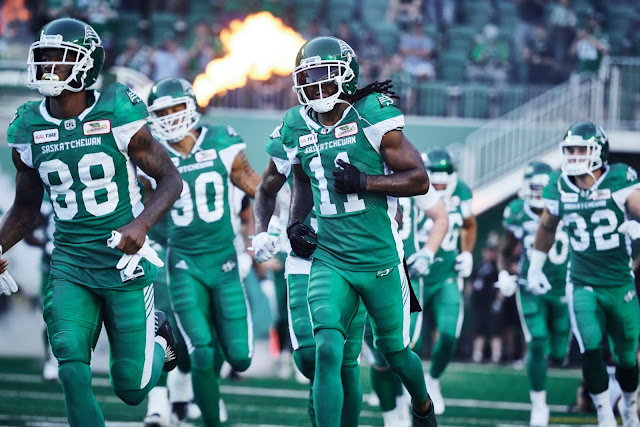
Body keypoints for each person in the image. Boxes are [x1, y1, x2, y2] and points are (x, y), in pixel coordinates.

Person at [0, 17, 182, 427]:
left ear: (86, 65)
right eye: (43, 57)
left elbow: (170, 179)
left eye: (59, 58)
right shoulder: (27, 125)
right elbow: (25, 207)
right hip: (70, 263)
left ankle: (159, 338)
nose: (47, 67)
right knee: (69, 362)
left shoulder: (116, 108)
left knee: (131, 389)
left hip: (123, 263)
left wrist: (141, 225)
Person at [283, 36, 437, 426]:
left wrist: (366, 181)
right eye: (308, 77)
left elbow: (419, 179)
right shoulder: (297, 124)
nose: (316, 86)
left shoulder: (370, 113)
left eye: (325, 75)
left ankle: (423, 406)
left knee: (394, 351)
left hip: (380, 258)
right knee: (327, 349)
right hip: (331, 258)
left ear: (347, 75)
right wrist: (295, 221)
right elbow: (302, 178)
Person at [145, 77, 261, 426]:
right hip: (183, 262)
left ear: (192, 106)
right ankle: (198, 411)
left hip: (224, 260)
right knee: (200, 350)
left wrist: (270, 229)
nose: (170, 117)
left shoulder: (222, 140)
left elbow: (258, 189)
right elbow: (141, 209)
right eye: (162, 112)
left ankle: (189, 392)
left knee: (240, 358)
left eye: (176, 108)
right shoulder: (150, 154)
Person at [252, 116, 367, 426]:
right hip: (305, 253)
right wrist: (262, 231)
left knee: (344, 362)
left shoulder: (364, 126)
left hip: (351, 257)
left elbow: (394, 196)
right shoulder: (294, 130)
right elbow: (266, 189)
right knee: (309, 356)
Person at [530, 121, 640, 427]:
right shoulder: (559, 185)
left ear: (599, 151)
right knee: (590, 348)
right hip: (581, 282)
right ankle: (604, 416)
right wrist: (536, 265)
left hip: (620, 283)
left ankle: (629, 408)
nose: (575, 156)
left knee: (627, 357)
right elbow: (547, 226)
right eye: (571, 150)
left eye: (582, 149)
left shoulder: (620, 178)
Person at [496, 161, 570, 427]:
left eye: (542, 187)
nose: (537, 193)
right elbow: (505, 250)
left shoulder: (566, 204)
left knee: (559, 353)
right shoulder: (517, 212)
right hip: (530, 286)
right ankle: (539, 404)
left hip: (565, 286)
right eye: (533, 187)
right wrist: (503, 273)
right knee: (537, 340)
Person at [367, 188, 449, 425]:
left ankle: (409, 405)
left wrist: (427, 253)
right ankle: (392, 417)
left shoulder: (410, 172)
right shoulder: (359, 169)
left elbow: (441, 217)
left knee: (402, 347)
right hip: (365, 268)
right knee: (379, 356)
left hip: (405, 269)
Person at [419, 147, 477, 415]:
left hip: (445, 275)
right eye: (435, 181)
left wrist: (467, 253)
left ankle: (433, 380)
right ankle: (397, 386)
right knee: (406, 340)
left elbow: (469, 224)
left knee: (449, 334)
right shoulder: (411, 187)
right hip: (414, 275)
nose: (439, 186)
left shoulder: (461, 192)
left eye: (443, 182)